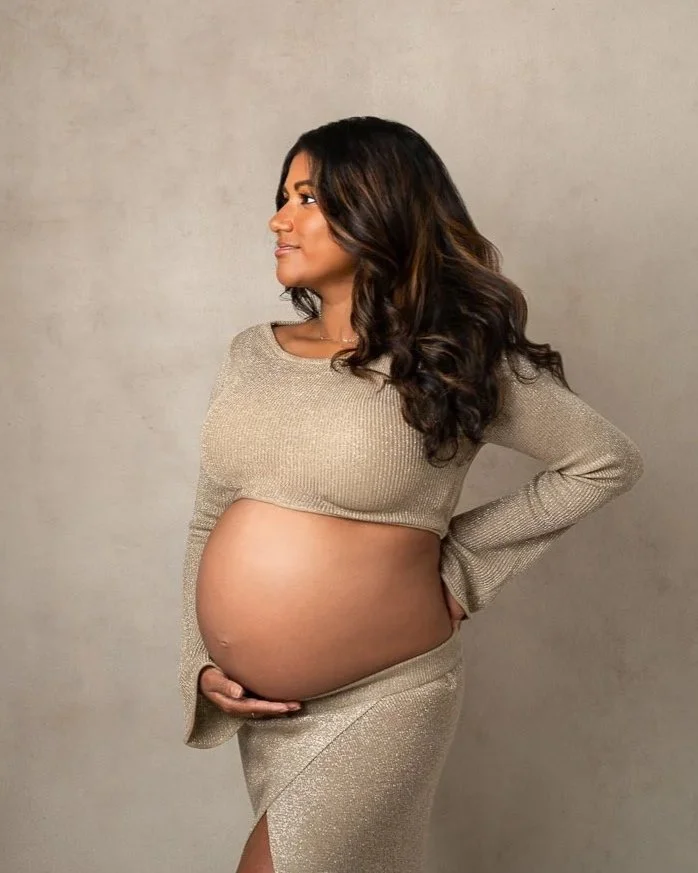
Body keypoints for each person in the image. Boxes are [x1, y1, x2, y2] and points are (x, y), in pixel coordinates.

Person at [178, 115, 644, 873]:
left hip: (386, 698)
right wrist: (201, 660)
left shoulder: (453, 357)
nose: (278, 217)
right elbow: (210, 515)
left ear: (376, 211)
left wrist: (462, 566)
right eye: (283, 195)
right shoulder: (249, 355)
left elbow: (604, 461)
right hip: (268, 717)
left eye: (306, 198)